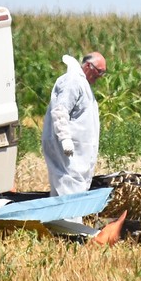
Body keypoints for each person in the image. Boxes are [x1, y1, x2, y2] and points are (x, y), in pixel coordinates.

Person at [41, 51, 107, 197]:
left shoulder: (82, 84)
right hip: (68, 153)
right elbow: (60, 111)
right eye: (99, 72)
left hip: (78, 154)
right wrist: (65, 138)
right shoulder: (73, 81)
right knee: (67, 189)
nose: (100, 76)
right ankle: (66, 220)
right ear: (89, 66)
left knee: (74, 190)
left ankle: (68, 220)